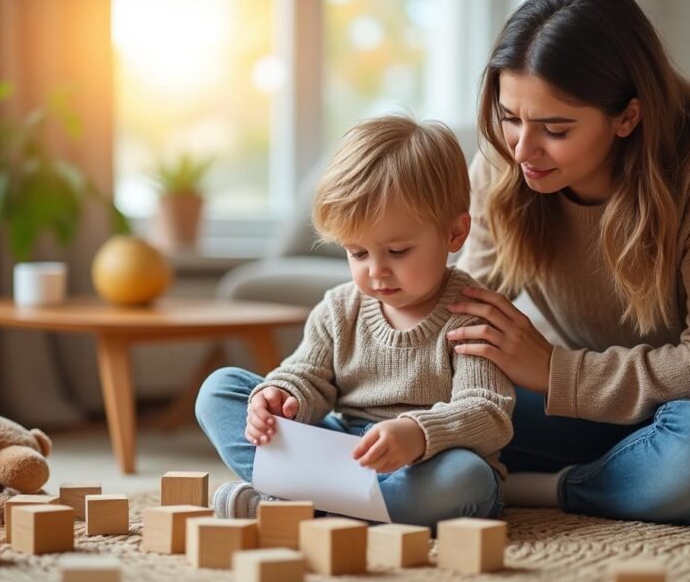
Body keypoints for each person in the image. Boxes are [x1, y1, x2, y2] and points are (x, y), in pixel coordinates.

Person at [447, 0, 690, 524]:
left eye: (555, 130)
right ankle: (617, 475)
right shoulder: (504, 163)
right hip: (601, 405)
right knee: (432, 402)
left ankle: (552, 488)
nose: (522, 150)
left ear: (627, 116)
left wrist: (554, 370)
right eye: (510, 117)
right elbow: (461, 308)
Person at [195, 116, 515, 528]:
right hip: (344, 449)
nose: (376, 272)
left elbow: (488, 414)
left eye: (397, 251)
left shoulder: (474, 313)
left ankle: (301, 505)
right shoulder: (339, 307)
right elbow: (306, 375)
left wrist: (417, 433)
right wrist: (279, 396)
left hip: (426, 463)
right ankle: (338, 503)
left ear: (454, 234)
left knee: (466, 479)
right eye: (358, 253)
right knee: (219, 391)